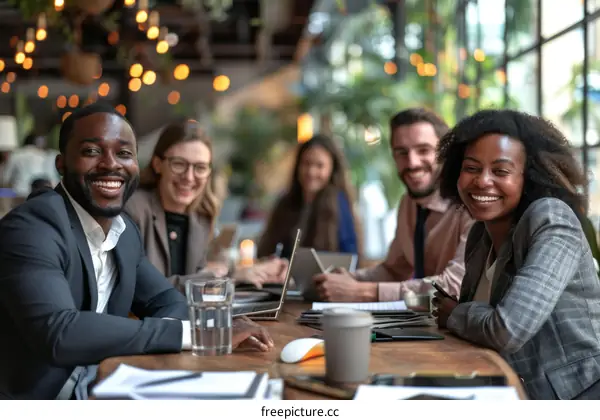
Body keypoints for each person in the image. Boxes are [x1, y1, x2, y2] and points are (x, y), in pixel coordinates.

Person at [0, 103, 273, 400]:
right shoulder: (32, 226)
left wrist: (191, 331)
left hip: (101, 386)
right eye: (92, 151)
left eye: (124, 153)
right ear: (62, 165)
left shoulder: (124, 232)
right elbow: (61, 333)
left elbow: (166, 299)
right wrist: (195, 334)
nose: (111, 164)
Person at [432, 109, 600, 400]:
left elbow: (507, 330)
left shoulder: (551, 219)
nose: (482, 181)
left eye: (500, 171)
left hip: (576, 395)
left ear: (528, 177)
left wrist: (454, 313)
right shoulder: (479, 234)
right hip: (508, 388)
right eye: (471, 168)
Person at [313, 108, 473, 302]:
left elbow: (454, 286)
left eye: (424, 150)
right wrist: (348, 280)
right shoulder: (409, 203)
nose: (412, 162)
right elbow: (394, 270)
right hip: (429, 322)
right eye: (402, 153)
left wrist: (362, 291)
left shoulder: (470, 205)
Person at [124, 119, 288, 291]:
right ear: (158, 164)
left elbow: (198, 275)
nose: (189, 177)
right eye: (179, 164)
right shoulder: (134, 210)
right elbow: (142, 288)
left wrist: (240, 274)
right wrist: (221, 278)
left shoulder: (201, 216)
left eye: (200, 167)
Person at [257, 134, 361, 260]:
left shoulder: (339, 205)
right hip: (280, 278)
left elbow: (349, 258)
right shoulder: (285, 203)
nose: (311, 172)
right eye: (306, 163)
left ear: (332, 169)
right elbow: (266, 249)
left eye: (319, 166)